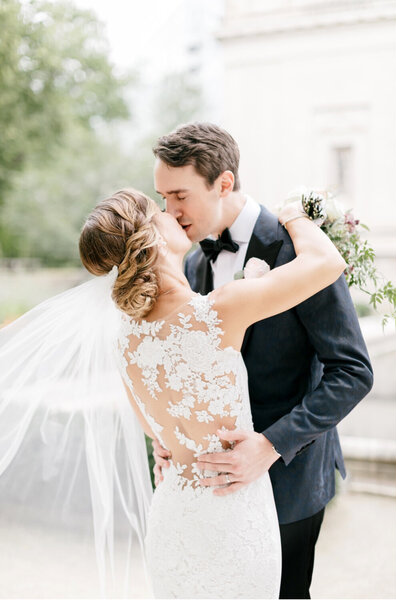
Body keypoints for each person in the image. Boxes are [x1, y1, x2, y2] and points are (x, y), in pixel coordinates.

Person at [77, 187, 345, 599]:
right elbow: (326, 262)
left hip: (173, 518)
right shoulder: (217, 311)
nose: (172, 212)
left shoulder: (124, 341)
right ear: (153, 235)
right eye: (161, 209)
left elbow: (158, 438)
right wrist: (294, 215)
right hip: (234, 514)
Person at [151, 122, 374, 599]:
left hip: (290, 480)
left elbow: (353, 370)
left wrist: (269, 445)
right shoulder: (191, 264)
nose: (168, 212)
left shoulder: (300, 249)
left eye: (179, 195)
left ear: (224, 182)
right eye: (161, 197)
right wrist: (171, 436)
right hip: (218, 491)